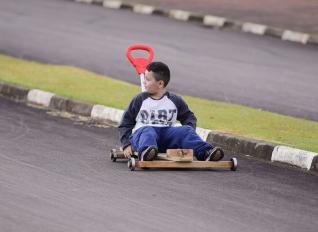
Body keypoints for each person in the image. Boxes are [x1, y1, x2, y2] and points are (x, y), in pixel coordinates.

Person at [118, 61, 224, 161]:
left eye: (148, 79)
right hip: (142, 136)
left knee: (185, 130)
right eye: (144, 78)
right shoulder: (139, 100)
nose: (144, 82)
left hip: (166, 136)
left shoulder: (174, 100)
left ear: (160, 84)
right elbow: (125, 123)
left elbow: (188, 117)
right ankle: (147, 152)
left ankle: (206, 152)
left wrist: (189, 133)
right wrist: (126, 144)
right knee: (148, 130)